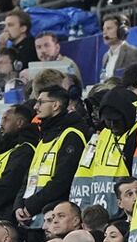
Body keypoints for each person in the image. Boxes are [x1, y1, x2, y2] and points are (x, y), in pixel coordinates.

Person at [15, 87, 88, 230]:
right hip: (32, 218)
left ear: (55, 105)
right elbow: (28, 178)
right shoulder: (43, 138)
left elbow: (62, 180)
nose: (35, 107)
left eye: (41, 102)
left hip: (54, 219)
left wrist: (30, 206)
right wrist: (19, 205)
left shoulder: (71, 135)